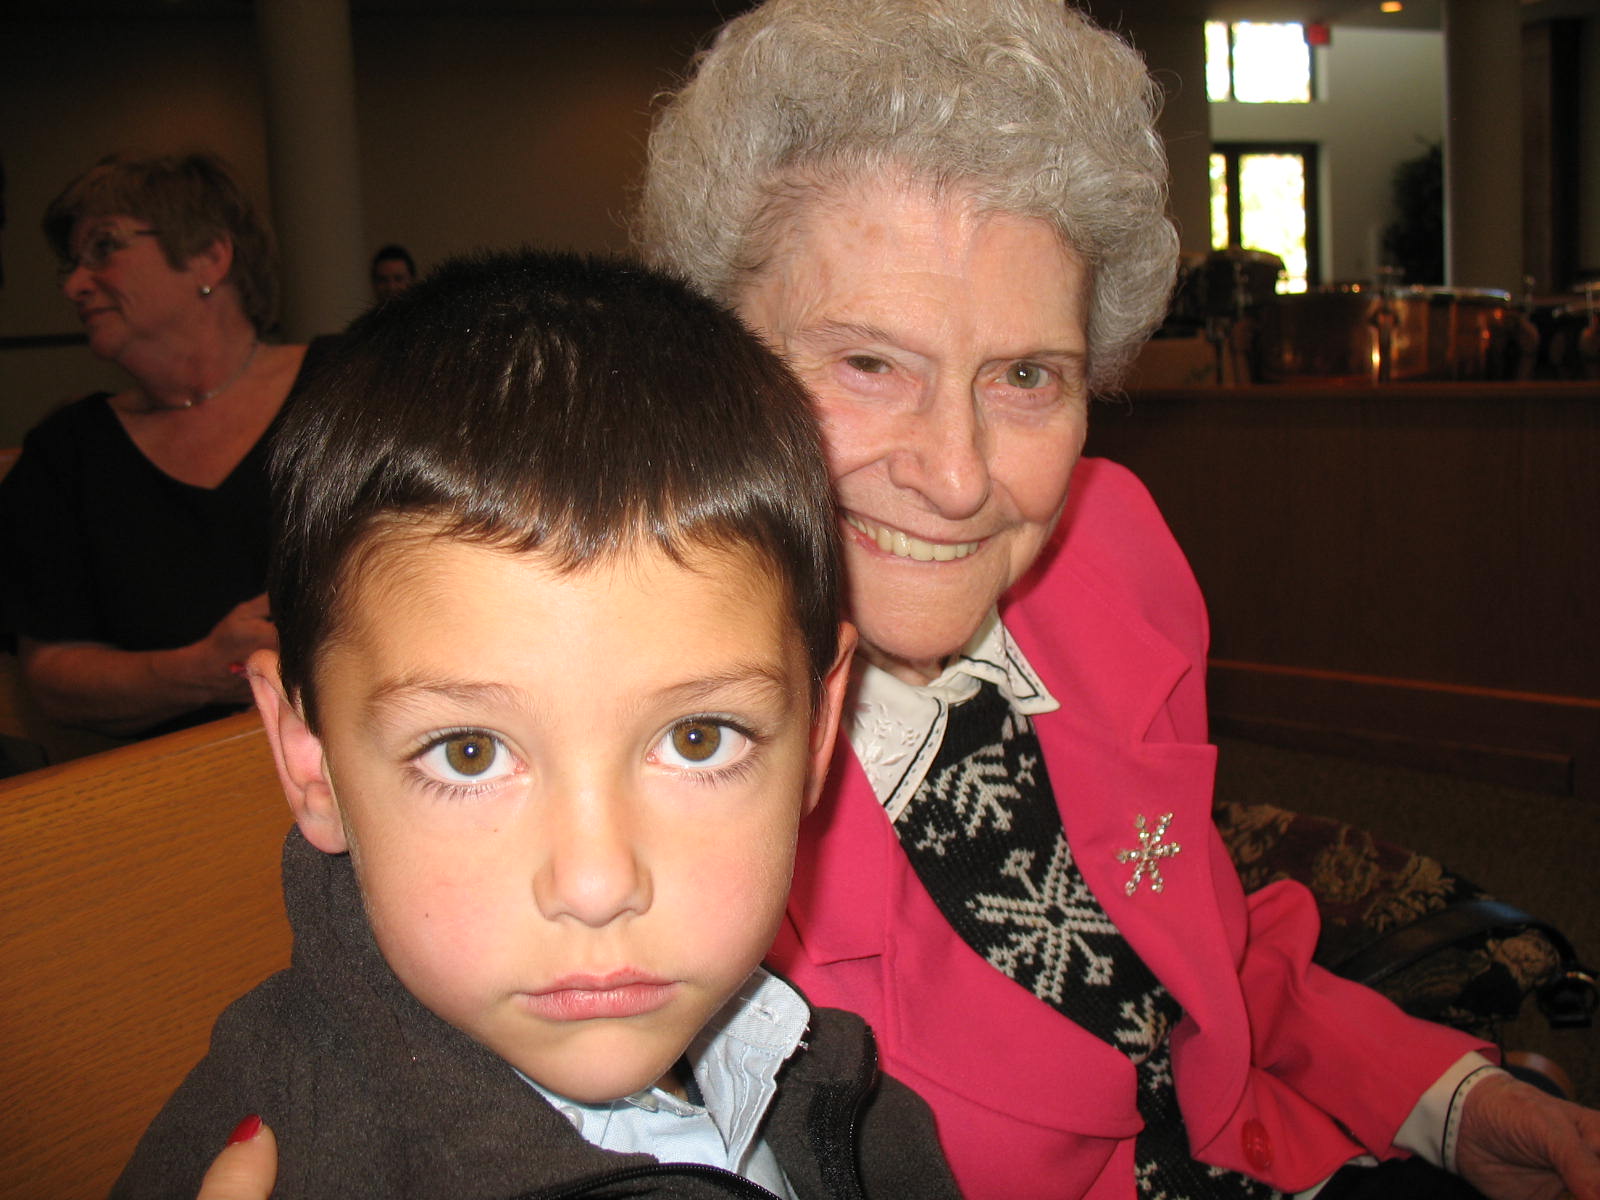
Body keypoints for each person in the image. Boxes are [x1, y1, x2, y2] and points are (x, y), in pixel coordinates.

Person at [193, 2, 1600, 1195]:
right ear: (711, 369)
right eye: (869, 363)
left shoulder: (1107, 552)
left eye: (1027, 375)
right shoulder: (646, 821)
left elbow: (1194, 936)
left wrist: (1446, 1097)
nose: (959, 475)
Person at [115, 248, 960, 1199]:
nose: (596, 886)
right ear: (309, 758)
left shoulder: (853, 1106)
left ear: (817, 728)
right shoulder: (261, 1165)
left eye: (698, 738)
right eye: (468, 753)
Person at [0, 152, 334, 738]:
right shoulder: (67, 454)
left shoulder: (348, 387)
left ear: (209, 255)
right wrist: (202, 670)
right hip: (174, 780)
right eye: (71, 265)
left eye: (104, 248)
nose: (75, 285)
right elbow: (53, 675)